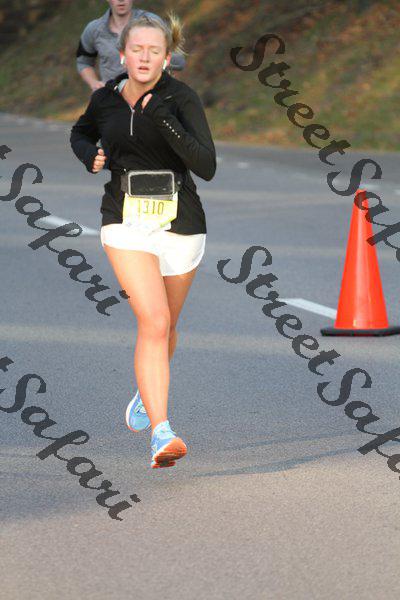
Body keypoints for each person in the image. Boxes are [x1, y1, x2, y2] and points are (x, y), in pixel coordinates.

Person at [70, 12, 216, 469]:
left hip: (181, 221)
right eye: (137, 49)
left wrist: (163, 118)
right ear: (123, 54)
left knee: (167, 328)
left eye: (155, 50)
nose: (145, 57)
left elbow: (206, 164)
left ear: (167, 57)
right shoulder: (105, 99)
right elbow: (81, 132)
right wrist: (89, 155)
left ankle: (146, 391)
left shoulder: (181, 98)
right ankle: (161, 432)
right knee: (153, 321)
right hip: (124, 221)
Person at [76, 0, 186, 93]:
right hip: (111, 99)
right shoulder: (94, 29)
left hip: (149, 98)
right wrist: (94, 83)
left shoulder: (152, 23)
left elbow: (179, 62)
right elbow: (83, 61)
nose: (121, 0)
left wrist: (155, 55)